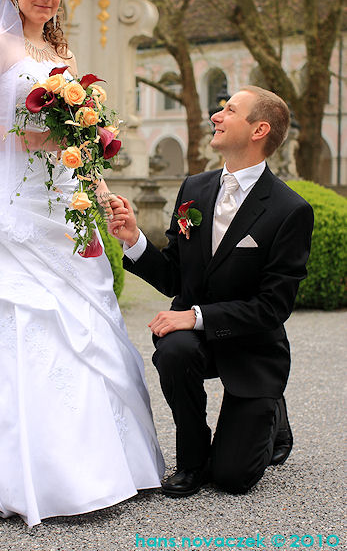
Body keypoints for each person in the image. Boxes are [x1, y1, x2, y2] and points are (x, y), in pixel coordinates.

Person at [0, 0, 164, 527]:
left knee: (80, 320)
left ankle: (98, 464)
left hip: (59, 201)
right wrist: (28, 137)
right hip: (8, 208)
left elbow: (75, 139)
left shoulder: (58, 49)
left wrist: (97, 184)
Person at [109, 86, 314, 497]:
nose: (216, 116)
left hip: (252, 347)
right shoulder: (194, 189)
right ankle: (192, 457)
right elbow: (174, 278)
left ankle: (272, 411)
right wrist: (134, 240)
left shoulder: (290, 211)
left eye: (229, 110)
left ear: (259, 129)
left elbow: (273, 308)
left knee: (233, 479)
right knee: (175, 348)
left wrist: (196, 316)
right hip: (196, 342)